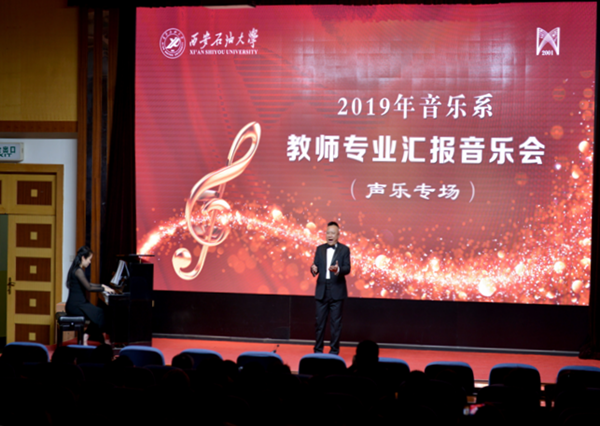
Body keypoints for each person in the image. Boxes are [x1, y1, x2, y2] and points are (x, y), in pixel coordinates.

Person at [311, 221, 351, 354]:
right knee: (319, 323)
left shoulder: (344, 249)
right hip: (322, 290)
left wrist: (338, 269)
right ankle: (318, 351)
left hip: (337, 290)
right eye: (328, 233)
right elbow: (315, 267)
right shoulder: (319, 249)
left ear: (338, 235)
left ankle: (334, 351)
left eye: (333, 233)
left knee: (335, 324)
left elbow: (347, 268)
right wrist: (313, 269)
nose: (330, 235)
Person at [65, 246, 114, 345]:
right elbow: (89, 287)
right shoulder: (78, 271)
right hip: (76, 306)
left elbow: (87, 284)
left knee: (99, 313)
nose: (90, 262)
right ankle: (100, 337)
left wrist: (102, 286)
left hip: (78, 304)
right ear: (83, 258)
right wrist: (104, 289)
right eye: (89, 259)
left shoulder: (76, 269)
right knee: (101, 314)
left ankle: (87, 335)